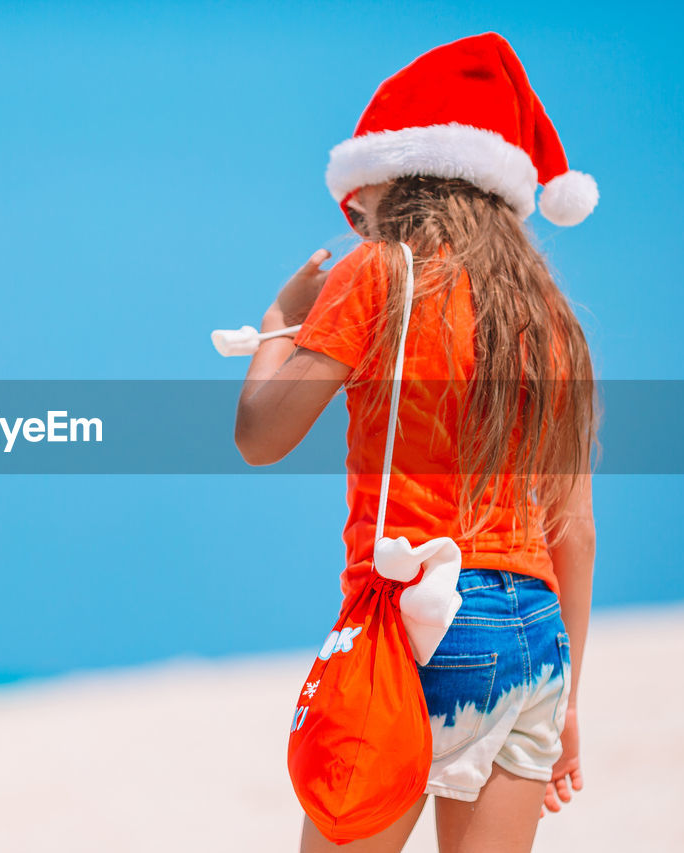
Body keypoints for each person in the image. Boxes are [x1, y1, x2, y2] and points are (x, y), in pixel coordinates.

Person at [233, 33, 599, 853]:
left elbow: (261, 434)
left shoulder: (381, 272)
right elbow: (572, 527)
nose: (354, 220)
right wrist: (569, 700)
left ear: (395, 182)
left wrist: (278, 327)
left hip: (419, 622)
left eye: (357, 204)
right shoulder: (553, 320)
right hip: (536, 638)